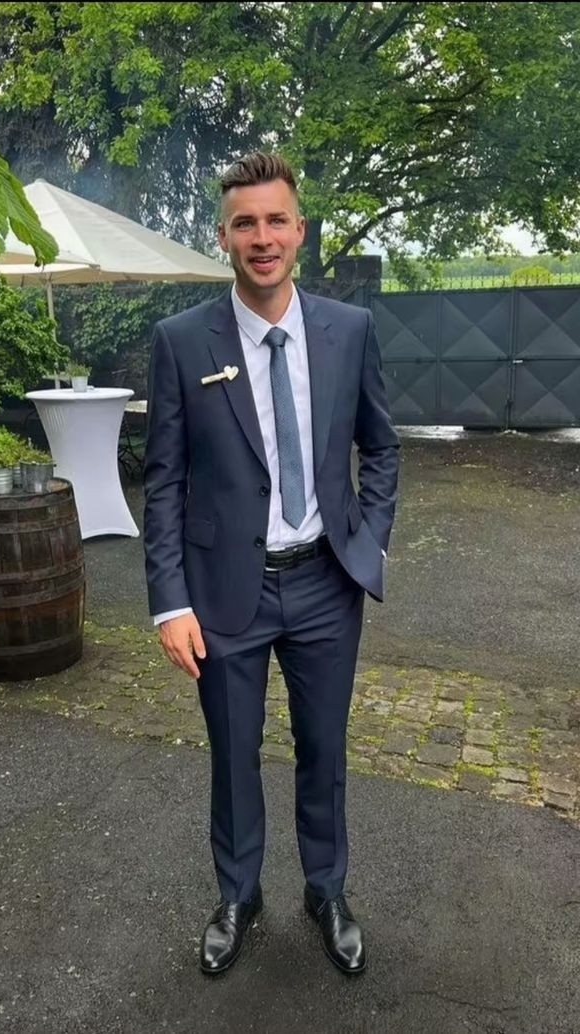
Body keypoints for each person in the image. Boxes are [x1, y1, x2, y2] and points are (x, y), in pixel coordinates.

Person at [142, 151, 399, 976]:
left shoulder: (349, 331)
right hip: (225, 593)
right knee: (233, 753)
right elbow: (164, 480)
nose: (263, 238)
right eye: (245, 223)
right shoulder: (182, 342)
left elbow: (381, 447)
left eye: (276, 221)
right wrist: (168, 601)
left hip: (326, 581)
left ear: (300, 230)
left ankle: (327, 891)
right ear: (223, 237)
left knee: (325, 748)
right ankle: (238, 894)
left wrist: (369, 539)